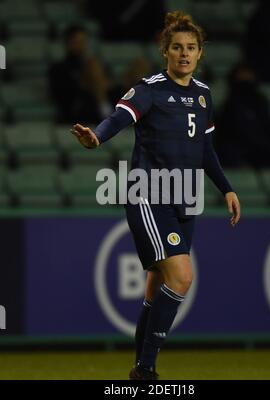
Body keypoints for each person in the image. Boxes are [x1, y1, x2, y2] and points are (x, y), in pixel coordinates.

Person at [71, 12, 241, 380]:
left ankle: (140, 369)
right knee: (181, 277)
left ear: (200, 54)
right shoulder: (149, 88)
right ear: (165, 51)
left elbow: (206, 150)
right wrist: (97, 136)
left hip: (185, 198)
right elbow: (119, 117)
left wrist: (226, 188)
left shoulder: (203, 95)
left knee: (156, 287)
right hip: (149, 193)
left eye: (191, 48)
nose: (184, 54)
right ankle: (146, 371)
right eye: (177, 47)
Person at [215, 62, 270, 169]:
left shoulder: (260, 102)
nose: (246, 78)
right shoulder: (231, 106)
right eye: (242, 75)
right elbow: (245, 134)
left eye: (248, 74)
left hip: (261, 151)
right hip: (240, 153)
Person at [49, 25, 112, 124]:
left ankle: (105, 108)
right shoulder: (59, 68)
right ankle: (105, 111)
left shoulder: (96, 64)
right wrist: (85, 82)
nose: (81, 45)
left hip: (97, 106)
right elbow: (62, 95)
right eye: (76, 42)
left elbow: (109, 83)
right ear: (67, 43)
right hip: (76, 113)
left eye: (83, 42)